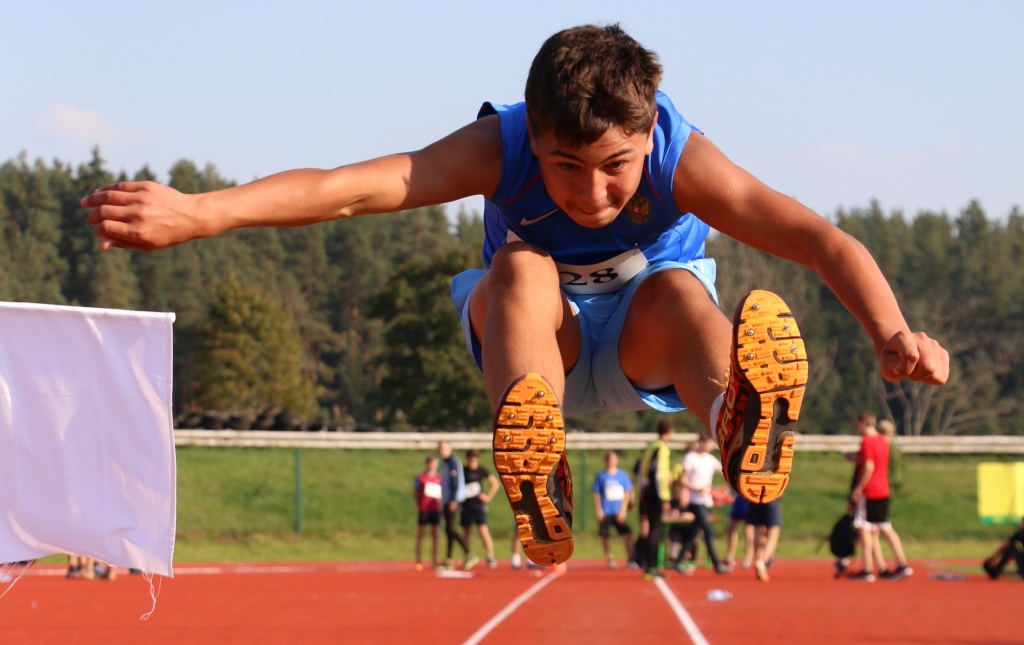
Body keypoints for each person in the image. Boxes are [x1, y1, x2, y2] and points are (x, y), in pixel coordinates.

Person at [82, 24, 950, 567]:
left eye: (615, 168)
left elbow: (814, 237)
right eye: (565, 167)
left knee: (682, 292)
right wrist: (201, 212)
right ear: (534, 133)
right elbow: (355, 187)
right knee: (523, 268)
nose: (592, 193)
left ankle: (737, 419)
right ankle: (537, 464)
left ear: (648, 135)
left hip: (649, 344)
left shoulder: (683, 157)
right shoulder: (499, 147)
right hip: (536, 343)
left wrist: (891, 329)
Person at [850, 413, 912, 581]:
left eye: (857, 425)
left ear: (863, 423)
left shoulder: (866, 441)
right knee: (885, 526)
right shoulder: (883, 441)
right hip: (883, 489)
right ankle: (902, 563)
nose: (857, 428)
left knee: (864, 527)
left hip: (869, 490)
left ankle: (868, 568)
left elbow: (869, 467)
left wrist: (858, 488)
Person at [675, 433, 725, 574]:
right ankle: (716, 563)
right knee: (708, 530)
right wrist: (696, 489)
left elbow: (723, 471)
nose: (710, 446)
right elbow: (682, 480)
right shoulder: (690, 458)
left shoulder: (710, 459)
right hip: (696, 501)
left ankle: (678, 561)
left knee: (694, 532)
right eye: (708, 443)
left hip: (707, 501)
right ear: (701, 443)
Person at [639, 419, 674, 579]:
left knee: (653, 528)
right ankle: (650, 566)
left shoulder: (651, 447)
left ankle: (650, 565)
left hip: (648, 491)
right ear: (669, 432)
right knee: (655, 530)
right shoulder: (663, 449)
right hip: (656, 493)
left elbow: (644, 471)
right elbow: (659, 474)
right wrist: (663, 497)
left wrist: (643, 490)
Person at [592, 450, 634, 568]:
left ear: (616, 461)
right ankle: (609, 558)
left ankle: (630, 558)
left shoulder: (622, 475)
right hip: (606, 511)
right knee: (605, 536)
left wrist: (623, 510)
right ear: (606, 461)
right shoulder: (601, 476)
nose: (611, 462)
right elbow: (597, 493)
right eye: (609, 459)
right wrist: (599, 510)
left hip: (618, 510)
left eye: (613, 459)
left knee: (628, 534)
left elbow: (627, 492)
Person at [461, 449, 500, 569]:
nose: (472, 460)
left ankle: (490, 556)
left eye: (474, 458)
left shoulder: (481, 470)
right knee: (466, 533)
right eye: (470, 458)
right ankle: (468, 556)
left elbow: (495, 483)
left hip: (478, 505)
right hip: (466, 505)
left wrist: (488, 497)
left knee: (483, 530)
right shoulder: (463, 471)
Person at [438, 441, 473, 569]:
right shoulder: (446, 462)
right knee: (448, 530)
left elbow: (455, 482)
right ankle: (449, 559)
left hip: (453, 500)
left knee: (451, 528)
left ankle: (469, 552)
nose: (441, 451)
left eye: (443, 448)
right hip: (447, 500)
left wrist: (453, 500)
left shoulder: (452, 462)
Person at [413, 454, 443, 570]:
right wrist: (419, 504)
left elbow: (442, 493)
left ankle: (434, 560)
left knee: (435, 534)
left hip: (435, 509)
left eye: (435, 463)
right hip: (424, 509)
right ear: (427, 464)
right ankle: (418, 559)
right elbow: (416, 492)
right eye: (430, 463)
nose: (432, 465)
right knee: (421, 534)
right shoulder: (420, 477)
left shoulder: (439, 478)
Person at [746, 499, 783, 581]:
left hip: (754, 498)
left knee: (757, 531)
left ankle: (760, 565)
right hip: (771, 497)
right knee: (773, 533)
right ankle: (762, 561)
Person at [724, 491, 754, 571]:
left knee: (748, 529)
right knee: (731, 527)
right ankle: (730, 555)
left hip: (748, 497)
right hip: (738, 498)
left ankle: (748, 557)